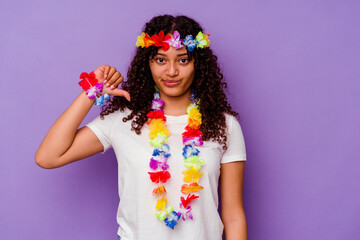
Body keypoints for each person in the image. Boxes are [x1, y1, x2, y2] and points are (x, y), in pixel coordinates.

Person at [35, 14, 248, 240]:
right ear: (147, 63)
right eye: (161, 59)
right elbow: (48, 157)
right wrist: (92, 91)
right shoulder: (124, 119)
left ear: (198, 64)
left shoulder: (224, 125)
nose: (172, 71)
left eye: (183, 60)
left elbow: (233, 215)